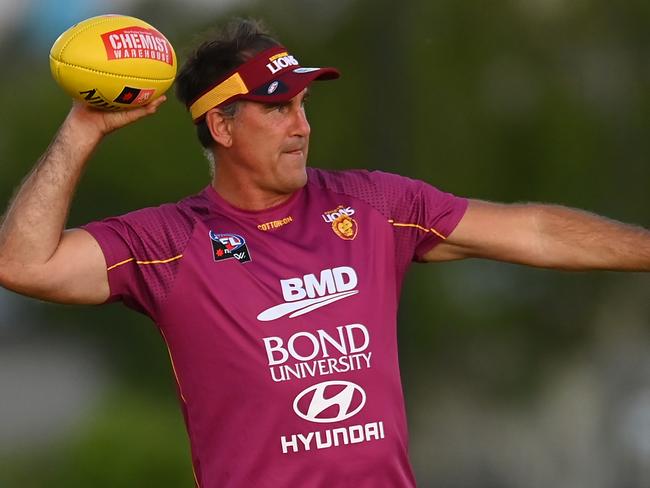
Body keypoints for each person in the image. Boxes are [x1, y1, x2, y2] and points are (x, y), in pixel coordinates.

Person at [0, 18, 648, 488]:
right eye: (277, 108)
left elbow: (531, 231)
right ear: (222, 126)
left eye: (302, 104)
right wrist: (84, 127)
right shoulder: (169, 243)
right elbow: (24, 264)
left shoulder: (373, 206)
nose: (302, 125)